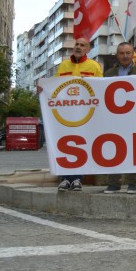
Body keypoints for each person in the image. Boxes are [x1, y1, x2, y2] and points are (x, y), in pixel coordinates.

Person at [53, 38, 102, 191]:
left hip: (85, 114)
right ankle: (65, 178)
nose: (79, 47)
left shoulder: (94, 66)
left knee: (81, 145)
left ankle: (77, 179)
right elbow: (54, 88)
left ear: (88, 49)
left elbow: (101, 88)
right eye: (77, 44)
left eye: (82, 45)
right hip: (66, 113)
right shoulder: (63, 66)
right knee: (65, 145)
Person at [103, 43, 136, 194]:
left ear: (133, 54)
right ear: (117, 55)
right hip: (114, 119)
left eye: (128, 52)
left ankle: (133, 183)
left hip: (134, 119)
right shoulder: (108, 74)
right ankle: (113, 183)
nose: (125, 56)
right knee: (114, 150)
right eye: (122, 53)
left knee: (134, 151)